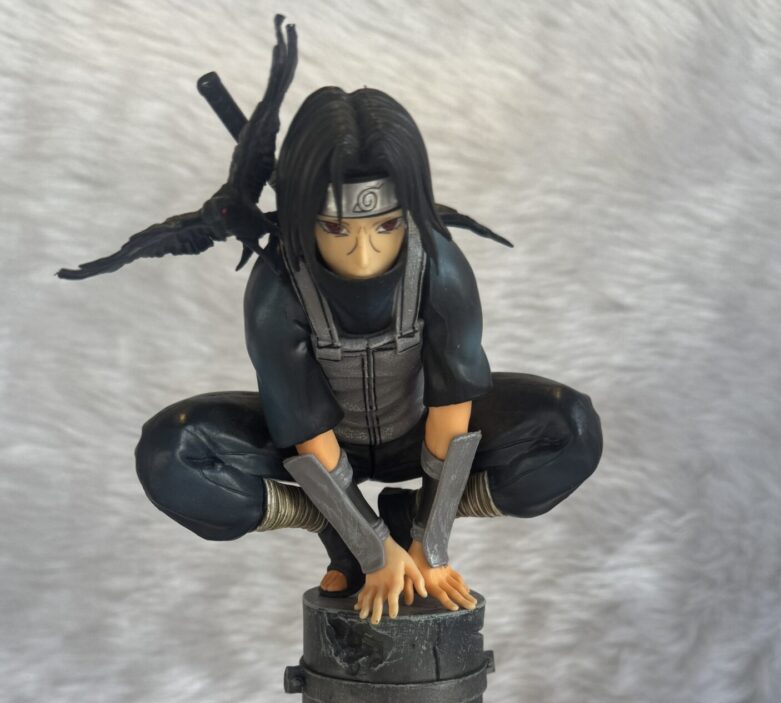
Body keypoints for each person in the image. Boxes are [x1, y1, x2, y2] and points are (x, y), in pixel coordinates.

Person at [134, 84, 603, 623]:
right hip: (317, 447)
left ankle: (409, 513)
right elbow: (305, 429)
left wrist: (430, 541)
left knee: (572, 429)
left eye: (386, 225)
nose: (363, 252)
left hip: (421, 432)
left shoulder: (439, 266)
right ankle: (330, 525)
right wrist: (371, 546)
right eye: (336, 228)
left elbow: (452, 410)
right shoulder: (278, 286)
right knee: (169, 454)